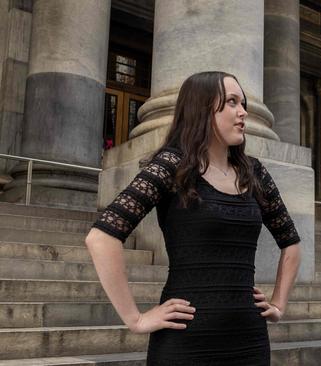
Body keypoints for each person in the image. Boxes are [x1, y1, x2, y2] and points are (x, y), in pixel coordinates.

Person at [85, 71, 301, 365]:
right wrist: (135, 319)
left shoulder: (255, 172)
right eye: (232, 103)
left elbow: (291, 243)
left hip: (248, 338)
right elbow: (101, 237)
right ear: (202, 109)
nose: (243, 113)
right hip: (186, 339)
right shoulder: (171, 166)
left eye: (244, 103)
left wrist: (278, 303)